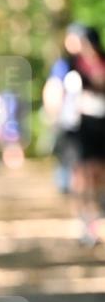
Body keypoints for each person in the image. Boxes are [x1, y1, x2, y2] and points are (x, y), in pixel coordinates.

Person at [44, 24, 105, 244]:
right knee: (81, 174)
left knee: (98, 175)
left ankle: (96, 217)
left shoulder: (100, 62)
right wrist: (55, 116)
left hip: (100, 127)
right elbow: (53, 90)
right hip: (77, 128)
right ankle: (86, 222)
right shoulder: (67, 65)